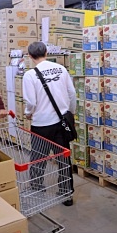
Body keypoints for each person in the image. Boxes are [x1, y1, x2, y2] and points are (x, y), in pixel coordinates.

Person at [22, 42, 76, 206]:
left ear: (30, 56)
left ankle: (37, 187)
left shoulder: (30, 75)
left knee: (38, 158)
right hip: (61, 122)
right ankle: (66, 194)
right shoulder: (61, 69)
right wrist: (70, 113)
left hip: (41, 124)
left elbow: (31, 101)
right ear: (46, 52)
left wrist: (27, 113)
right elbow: (72, 93)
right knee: (63, 159)